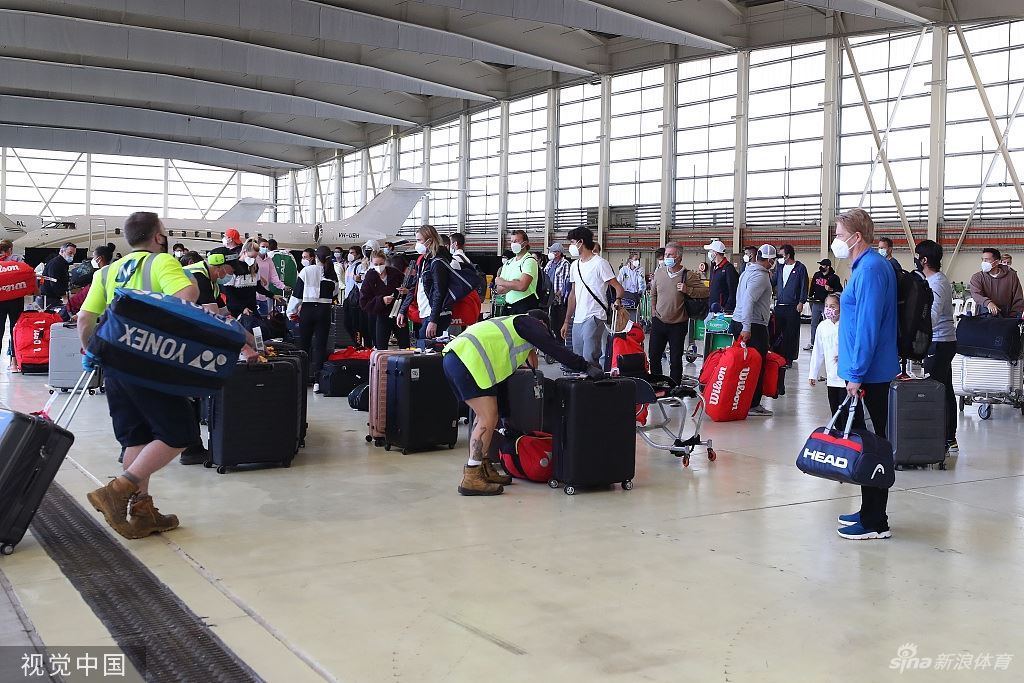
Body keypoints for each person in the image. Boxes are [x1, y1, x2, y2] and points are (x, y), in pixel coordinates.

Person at [78, 212, 201, 539]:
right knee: (180, 432)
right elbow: (186, 298)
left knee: (136, 437)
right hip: (152, 363)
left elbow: (85, 318)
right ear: (158, 236)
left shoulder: (106, 272)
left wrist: (91, 350)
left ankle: (142, 512)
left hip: (114, 364)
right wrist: (190, 284)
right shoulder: (161, 262)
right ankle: (118, 490)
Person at [443, 310, 602, 495]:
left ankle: (482, 467)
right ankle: (472, 476)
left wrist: (505, 415)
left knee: (484, 416)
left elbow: (515, 375)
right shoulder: (528, 323)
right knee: (487, 417)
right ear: (542, 324)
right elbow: (554, 348)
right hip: (467, 361)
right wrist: (585, 366)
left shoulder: (512, 332)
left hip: (459, 359)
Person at [831, 208, 900, 540]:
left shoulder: (871, 269)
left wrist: (856, 373)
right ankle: (867, 509)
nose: (836, 241)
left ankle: (875, 520)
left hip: (869, 375)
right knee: (864, 444)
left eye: (839, 235)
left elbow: (868, 326)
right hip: (863, 373)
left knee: (873, 447)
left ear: (856, 237)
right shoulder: (863, 267)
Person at [915, 240, 958, 458]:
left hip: (940, 342)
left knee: (938, 390)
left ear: (924, 260)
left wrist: (913, 326)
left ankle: (945, 438)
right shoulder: (928, 281)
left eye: (917, 256)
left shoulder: (937, 283)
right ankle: (949, 437)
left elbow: (932, 316)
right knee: (945, 388)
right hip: (938, 341)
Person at [560, 228, 624, 366]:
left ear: (580, 242)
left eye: (572, 242)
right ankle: (585, 380)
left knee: (589, 357)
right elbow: (573, 294)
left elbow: (618, 287)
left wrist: (618, 300)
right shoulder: (574, 265)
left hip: (595, 315)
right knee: (578, 358)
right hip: (578, 318)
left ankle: (595, 379)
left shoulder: (600, 264)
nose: (570, 246)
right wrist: (566, 321)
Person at [649, 242, 708, 383]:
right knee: (654, 356)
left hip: (678, 324)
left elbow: (706, 291)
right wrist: (653, 310)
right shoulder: (659, 272)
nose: (667, 257)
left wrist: (688, 290)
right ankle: (657, 385)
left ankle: (674, 386)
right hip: (659, 321)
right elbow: (653, 293)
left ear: (679, 258)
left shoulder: (688, 275)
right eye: (666, 254)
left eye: (670, 255)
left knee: (675, 359)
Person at [731, 245, 776, 417]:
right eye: (773, 261)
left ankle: (740, 399)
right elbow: (748, 301)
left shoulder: (747, 271)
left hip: (739, 320)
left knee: (744, 364)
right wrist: (747, 327)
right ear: (769, 260)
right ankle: (753, 404)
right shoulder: (761, 277)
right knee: (757, 365)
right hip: (753, 325)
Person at [807, 294, 863, 421]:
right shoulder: (822, 327)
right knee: (835, 411)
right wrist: (813, 374)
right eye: (827, 306)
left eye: (833, 306)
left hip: (846, 379)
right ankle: (838, 432)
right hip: (831, 378)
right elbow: (818, 351)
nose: (829, 309)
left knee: (848, 413)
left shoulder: (846, 325)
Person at [289, 246, 339, 385]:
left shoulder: (306, 271)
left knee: (304, 345)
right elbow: (334, 293)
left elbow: (297, 294)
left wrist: (291, 311)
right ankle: (318, 381)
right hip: (324, 311)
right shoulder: (332, 274)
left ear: (316, 257)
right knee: (320, 346)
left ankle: (302, 379)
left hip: (308, 310)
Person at [398, 225, 452, 340]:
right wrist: (402, 310)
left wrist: (433, 320)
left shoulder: (438, 262)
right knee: (423, 345)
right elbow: (414, 287)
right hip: (425, 313)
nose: (417, 244)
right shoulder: (423, 261)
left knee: (425, 346)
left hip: (435, 314)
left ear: (429, 241)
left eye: (419, 240)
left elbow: (439, 292)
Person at [218, 239, 278, 329]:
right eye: (251, 257)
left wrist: (272, 295)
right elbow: (229, 293)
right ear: (245, 252)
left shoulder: (255, 267)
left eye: (255, 257)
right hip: (236, 309)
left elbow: (258, 287)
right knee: (243, 332)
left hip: (251, 307)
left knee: (259, 330)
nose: (253, 259)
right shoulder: (233, 268)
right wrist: (242, 308)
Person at [360, 250, 406, 350]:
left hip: (398, 313)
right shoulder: (369, 277)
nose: (379, 266)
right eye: (376, 264)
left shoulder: (395, 273)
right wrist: (381, 301)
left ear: (385, 262)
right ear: (372, 263)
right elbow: (364, 302)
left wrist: (405, 291)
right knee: (381, 346)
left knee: (405, 344)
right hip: (380, 316)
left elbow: (409, 288)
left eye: (381, 264)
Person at [0, 239, 37, 360]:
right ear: (10, 249)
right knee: (15, 329)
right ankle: (14, 360)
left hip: (1, 299)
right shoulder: (17, 259)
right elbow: (29, 272)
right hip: (16, 299)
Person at [773, 244, 809, 366]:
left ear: (788, 255)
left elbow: (804, 286)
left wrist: (801, 302)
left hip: (793, 305)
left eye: (781, 255)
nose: (779, 257)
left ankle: (789, 358)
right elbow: (773, 281)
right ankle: (779, 356)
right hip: (780, 305)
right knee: (779, 332)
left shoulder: (800, 268)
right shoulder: (780, 268)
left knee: (791, 333)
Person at [969, 247, 1024, 317]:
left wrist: (1014, 315)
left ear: (997, 262)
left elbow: (1018, 297)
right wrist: (988, 303)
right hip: (985, 316)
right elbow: (976, 294)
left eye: (987, 260)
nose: (984, 262)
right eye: (983, 259)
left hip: (1007, 316)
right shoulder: (977, 277)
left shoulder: (1012, 276)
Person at [494, 230, 539, 314]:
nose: (513, 244)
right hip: (508, 306)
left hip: (525, 305)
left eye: (516, 241)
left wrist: (503, 282)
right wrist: (514, 283)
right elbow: (499, 289)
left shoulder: (529, 261)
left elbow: (522, 286)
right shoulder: (508, 263)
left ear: (525, 243)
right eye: (512, 241)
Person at [804, 258, 843, 350]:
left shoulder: (834, 277)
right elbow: (812, 286)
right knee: (814, 323)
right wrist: (810, 296)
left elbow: (839, 290)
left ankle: (827, 343)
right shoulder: (817, 275)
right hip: (816, 302)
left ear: (828, 267)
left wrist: (831, 290)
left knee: (828, 323)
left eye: (823, 265)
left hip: (827, 304)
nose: (821, 267)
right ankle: (813, 343)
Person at [67, 245, 115, 317]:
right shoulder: (113, 271)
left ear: (99, 259)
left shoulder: (99, 274)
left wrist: (78, 315)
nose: (92, 260)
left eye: (93, 257)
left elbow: (90, 299)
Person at [545, 243, 572, 364]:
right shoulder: (549, 264)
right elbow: (545, 277)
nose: (550, 253)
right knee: (550, 324)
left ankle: (561, 351)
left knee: (559, 325)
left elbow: (566, 282)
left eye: (552, 251)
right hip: (549, 299)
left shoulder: (565, 264)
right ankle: (552, 348)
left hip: (559, 301)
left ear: (558, 253)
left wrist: (559, 293)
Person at [254, 238, 285, 317]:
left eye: (267, 247)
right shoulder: (253, 258)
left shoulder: (269, 260)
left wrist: (282, 286)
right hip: (253, 294)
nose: (265, 249)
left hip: (264, 294)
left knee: (264, 318)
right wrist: (260, 278)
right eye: (263, 246)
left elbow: (274, 276)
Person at [39, 243, 76, 309]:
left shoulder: (62, 263)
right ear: (62, 251)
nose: (72, 256)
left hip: (52, 297)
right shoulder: (56, 263)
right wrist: (64, 297)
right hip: (49, 298)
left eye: (73, 254)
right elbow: (54, 282)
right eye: (70, 253)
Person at [618, 251, 647, 322]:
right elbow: (619, 281)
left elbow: (641, 281)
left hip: (636, 293)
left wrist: (641, 291)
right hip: (625, 293)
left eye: (638, 259)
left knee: (635, 312)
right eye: (635, 259)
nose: (637, 261)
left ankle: (634, 323)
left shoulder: (640, 269)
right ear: (630, 260)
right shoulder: (624, 269)